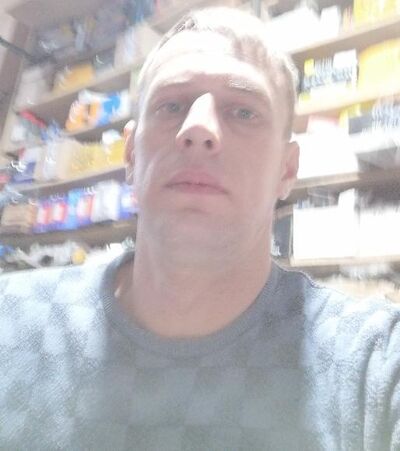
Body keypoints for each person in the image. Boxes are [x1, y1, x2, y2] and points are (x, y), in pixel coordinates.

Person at [0, 6, 399, 451]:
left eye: (243, 112)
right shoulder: (10, 319)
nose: (198, 128)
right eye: (171, 105)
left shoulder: (374, 363)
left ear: (287, 170)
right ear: (131, 155)